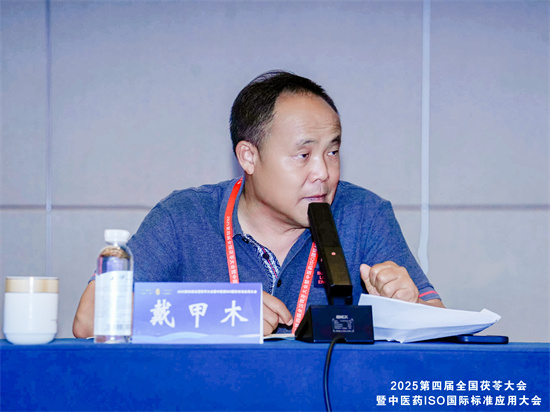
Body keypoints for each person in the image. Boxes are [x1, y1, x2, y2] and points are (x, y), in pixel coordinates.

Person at [73, 70, 444, 338]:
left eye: (332, 151)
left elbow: (441, 323)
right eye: (303, 155)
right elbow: (89, 320)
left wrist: (410, 308)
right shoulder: (183, 217)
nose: (323, 172)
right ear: (248, 157)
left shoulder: (363, 214)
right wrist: (223, 314)